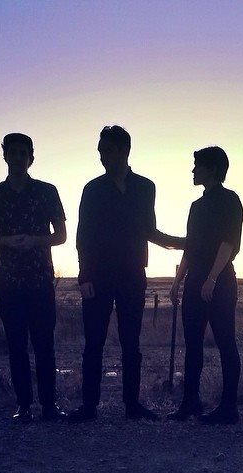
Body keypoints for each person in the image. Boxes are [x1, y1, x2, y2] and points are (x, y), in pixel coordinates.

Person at [69, 125, 183, 423]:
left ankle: (132, 406)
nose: (102, 157)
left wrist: (184, 244)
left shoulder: (145, 187)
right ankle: (89, 407)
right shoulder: (92, 189)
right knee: (93, 342)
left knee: (131, 343)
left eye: (107, 151)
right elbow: (84, 236)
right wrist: (84, 276)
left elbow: (150, 230)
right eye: (100, 152)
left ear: (124, 150)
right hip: (99, 276)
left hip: (133, 274)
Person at [0, 133, 67, 424]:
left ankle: (50, 406)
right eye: (13, 152)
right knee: (16, 345)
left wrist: (35, 241)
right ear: (5, 156)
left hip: (39, 280)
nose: (18, 157)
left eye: (23, 153)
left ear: (31, 158)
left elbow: (61, 236)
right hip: (8, 282)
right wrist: (9, 242)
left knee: (44, 345)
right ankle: (24, 406)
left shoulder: (47, 192)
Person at [168, 146, 243, 425]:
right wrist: (178, 281)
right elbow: (190, 246)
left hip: (220, 281)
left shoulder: (229, 200)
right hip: (195, 280)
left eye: (197, 165)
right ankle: (191, 402)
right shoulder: (196, 207)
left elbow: (228, 242)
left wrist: (212, 278)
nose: (192, 170)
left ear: (212, 168)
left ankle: (228, 408)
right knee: (193, 345)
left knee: (225, 342)